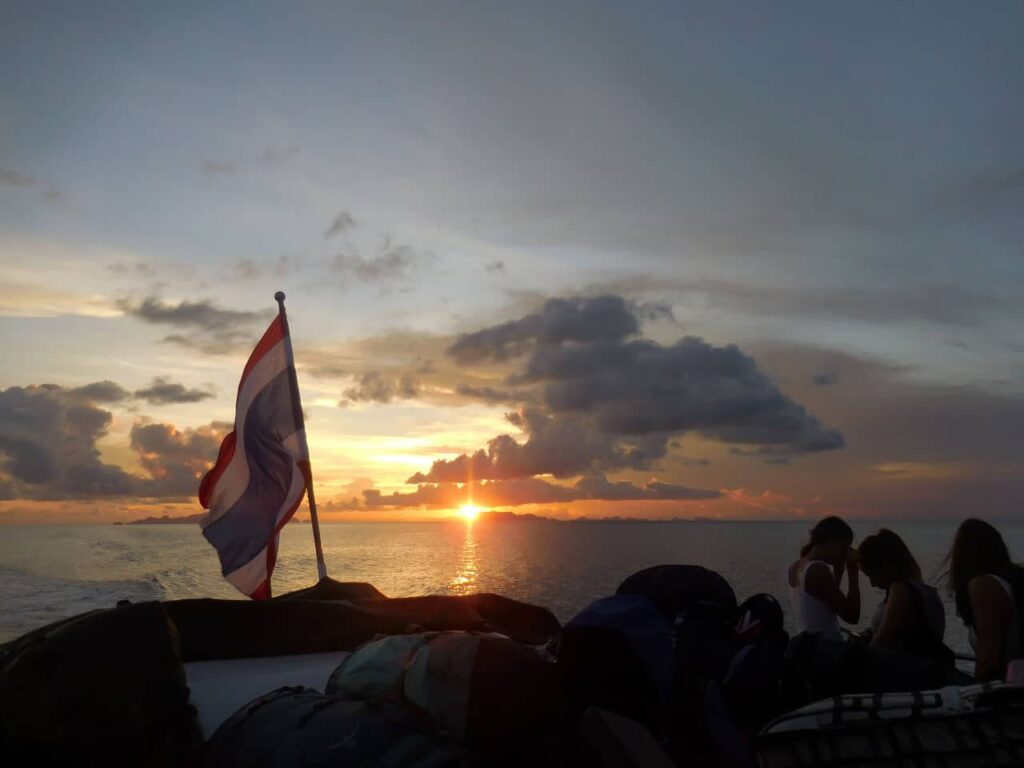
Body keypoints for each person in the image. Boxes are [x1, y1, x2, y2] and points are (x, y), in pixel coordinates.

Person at [946, 518, 1024, 681]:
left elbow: (989, 660)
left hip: (1006, 692)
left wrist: (976, 695)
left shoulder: (984, 584)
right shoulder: (1014, 582)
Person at [857, 529, 950, 664]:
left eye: (873, 575)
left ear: (886, 564)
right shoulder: (925, 592)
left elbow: (882, 643)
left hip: (904, 674)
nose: (872, 583)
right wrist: (871, 633)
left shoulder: (900, 590)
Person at [788, 516, 859, 640]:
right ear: (831, 541)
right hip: (827, 653)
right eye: (844, 547)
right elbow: (852, 616)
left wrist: (838, 573)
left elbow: (824, 606)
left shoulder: (795, 567)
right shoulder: (818, 570)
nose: (845, 552)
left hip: (810, 648)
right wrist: (853, 572)